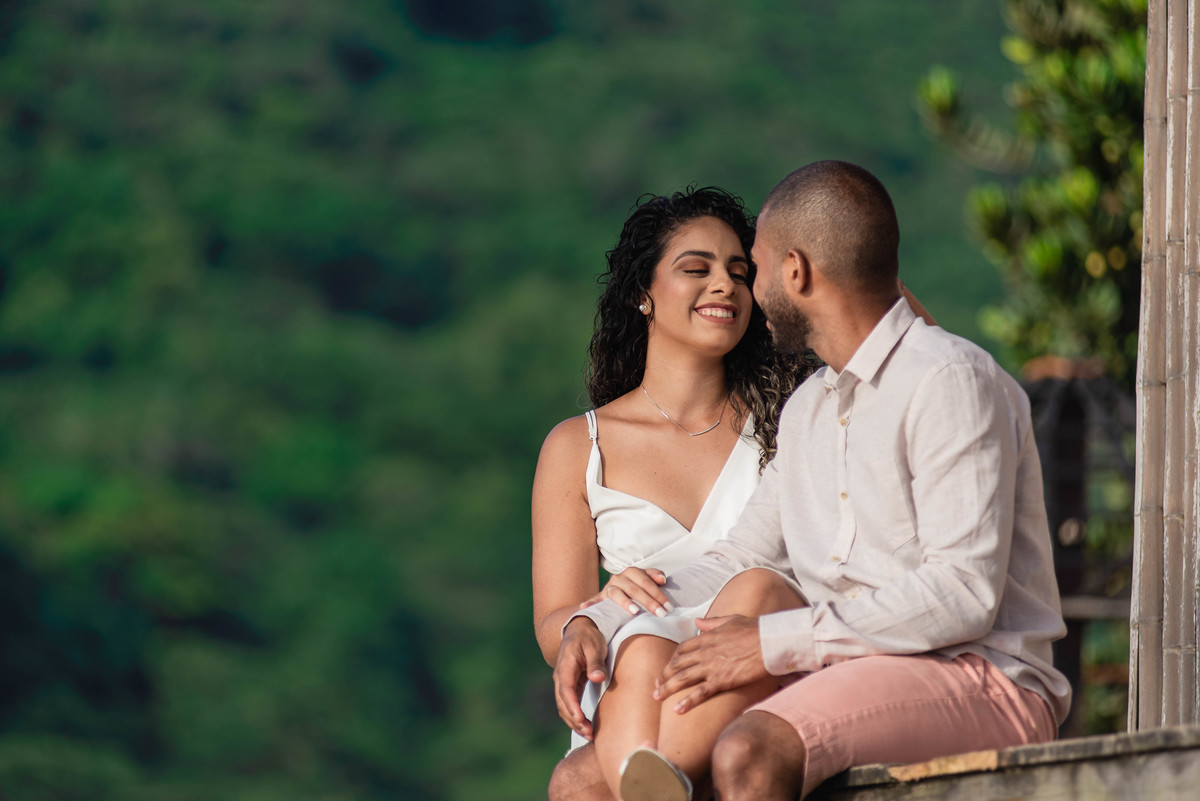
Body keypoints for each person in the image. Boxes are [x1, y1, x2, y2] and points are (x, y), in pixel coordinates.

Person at [557, 161, 1071, 801]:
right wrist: (599, 617)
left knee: (749, 748)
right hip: (848, 667)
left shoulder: (948, 379)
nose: (749, 288)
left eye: (755, 267)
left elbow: (962, 594)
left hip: (977, 674)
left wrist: (770, 645)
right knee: (582, 778)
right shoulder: (809, 411)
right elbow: (742, 556)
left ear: (795, 272)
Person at [532, 186, 818, 801]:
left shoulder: (795, 414)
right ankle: (647, 773)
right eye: (697, 269)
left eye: (740, 273)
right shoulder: (577, 446)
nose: (725, 286)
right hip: (639, 686)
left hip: (760, 667)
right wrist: (594, 611)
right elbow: (554, 622)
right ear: (643, 294)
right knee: (577, 778)